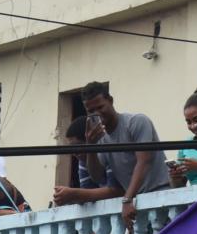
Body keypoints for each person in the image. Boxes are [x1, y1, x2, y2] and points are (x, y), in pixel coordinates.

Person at [56, 81, 169, 222]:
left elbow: (144, 162)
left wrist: (127, 199)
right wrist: (90, 146)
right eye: (91, 111)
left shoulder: (136, 122)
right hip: (137, 205)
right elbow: (98, 177)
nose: (97, 114)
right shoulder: (100, 138)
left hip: (160, 196)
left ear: (110, 101)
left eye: (100, 107)